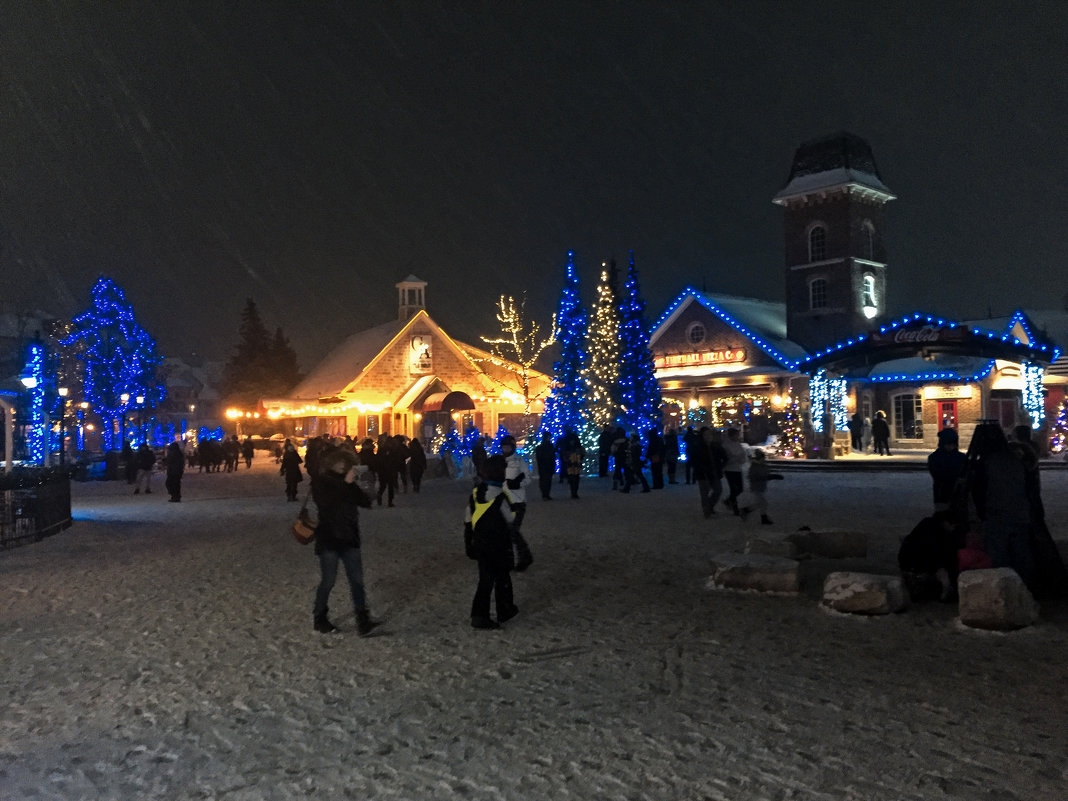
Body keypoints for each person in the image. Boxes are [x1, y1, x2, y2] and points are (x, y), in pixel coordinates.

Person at [310, 445, 381, 636]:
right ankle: (320, 617)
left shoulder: (347, 482)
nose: (342, 465)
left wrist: (365, 484)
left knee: (357, 580)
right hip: (329, 538)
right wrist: (346, 484)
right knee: (328, 581)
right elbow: (326, 503)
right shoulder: (320, 482)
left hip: (350, 537)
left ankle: (363, 619)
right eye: (338, 461)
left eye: (344, 461)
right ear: (329, 463)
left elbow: (365, 502)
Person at [463, 454, 518, 629]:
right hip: (498, 544)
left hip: (480, 542)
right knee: (502, 577)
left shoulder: (475, 494)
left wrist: (468, 543)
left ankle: (479, 614)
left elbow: (467, 520)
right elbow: (510, 520)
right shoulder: (501, 497)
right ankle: (503, 610)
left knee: (485, 580)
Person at [499, 435, 534, 571]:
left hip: (517, 501)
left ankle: (525, 556)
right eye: (504, 447)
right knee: (505, 532)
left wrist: (518, 484)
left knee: (513, 532)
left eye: (508, 447)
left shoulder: (520, 461)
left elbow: (528, 477)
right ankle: (508, 559)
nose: (506, 449)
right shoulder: (499, 461)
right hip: (503, 501)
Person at [927, 428, 967, 513]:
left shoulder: (961, 457)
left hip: (958, 495)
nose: (950, 447)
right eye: (948, 444)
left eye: (953, 444)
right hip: (942, 493)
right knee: (942, 517)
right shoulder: (934, 458)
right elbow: (937, 476)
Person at [738, 449, 783, 524]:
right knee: (763, 502)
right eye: (762, 458)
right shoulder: (754, 467)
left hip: (761, 486)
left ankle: (746, 510)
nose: (763, 459)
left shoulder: (763, 466)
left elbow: (766, 474)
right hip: (756, 487)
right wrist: (769, 477)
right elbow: (753, 477)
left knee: (760, 503)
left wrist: (772, 476)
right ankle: (762, 517)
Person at [692, 427, 726, 518]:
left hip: (714, 472)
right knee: (704, 492)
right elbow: (694, 460)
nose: (708, 436)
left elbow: (724, 456)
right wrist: (700, 468)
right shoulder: (697, 446)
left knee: (718, 490)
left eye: (710, 434)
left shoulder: (716, 446)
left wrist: (721, 466)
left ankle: (709, 506)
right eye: (706, 434)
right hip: (703, 474)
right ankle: (706, 510)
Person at [722, 428, 748, 514]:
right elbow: (727, 458)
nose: (738, 436)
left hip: (737, 469)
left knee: (740, 488)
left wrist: (741, 459)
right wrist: (736, 458)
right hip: (729, 469)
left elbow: (742, 455)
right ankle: (735, 508)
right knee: (733, 489)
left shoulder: (737, 444)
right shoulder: (726, 445)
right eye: (737, 435)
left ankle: (729, 501)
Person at [562, 430, 586, 499]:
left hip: (574, 464)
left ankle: (574, 492)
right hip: (573, 464)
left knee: (575, 478)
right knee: (573, 478)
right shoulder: (577, 448)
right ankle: (574, 492)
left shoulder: (569, 449)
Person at [534, 431, 556, 500]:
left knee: (547, 480)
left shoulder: (548, 446)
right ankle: (545, 494)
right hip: (545, 465)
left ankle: (546, 494)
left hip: (547, 465)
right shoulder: (544, 447)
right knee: (545, 480)